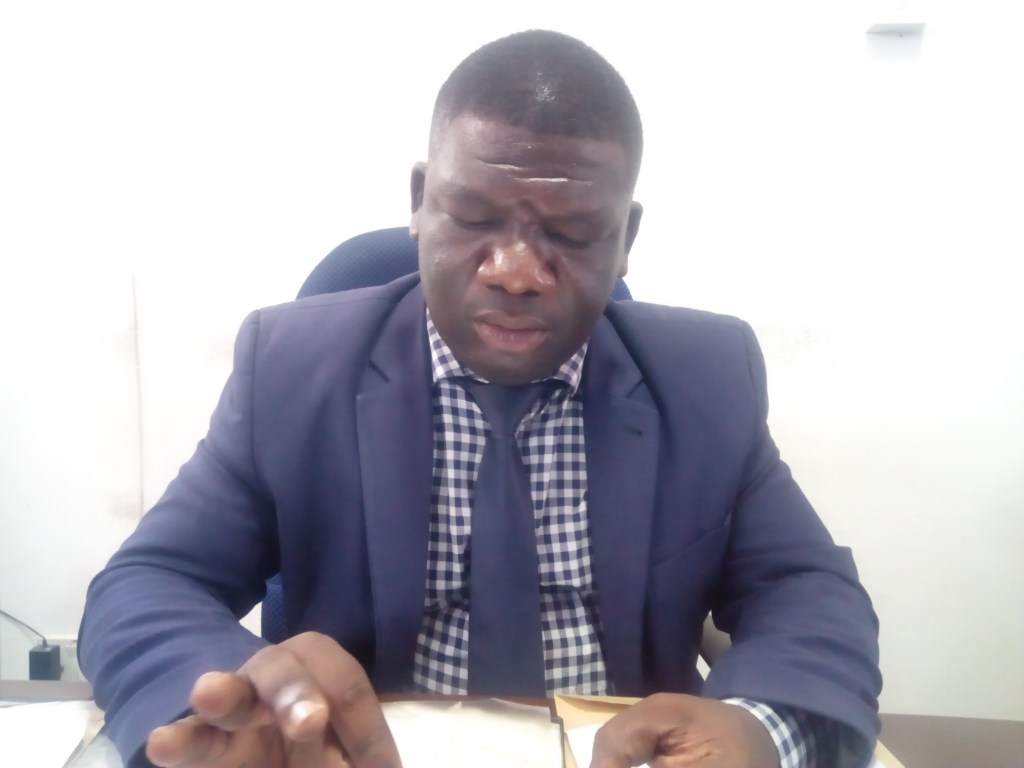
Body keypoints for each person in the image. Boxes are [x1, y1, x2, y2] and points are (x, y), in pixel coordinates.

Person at [79, 30, 881, 768]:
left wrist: (760, 729)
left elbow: (806, 593)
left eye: (571, 233)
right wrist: (236, 712)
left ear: (625, 239)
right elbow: (150, 583)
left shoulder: (706, 376)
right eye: (472, 216)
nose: (515, 271)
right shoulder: (291, 368)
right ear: (421, 200)